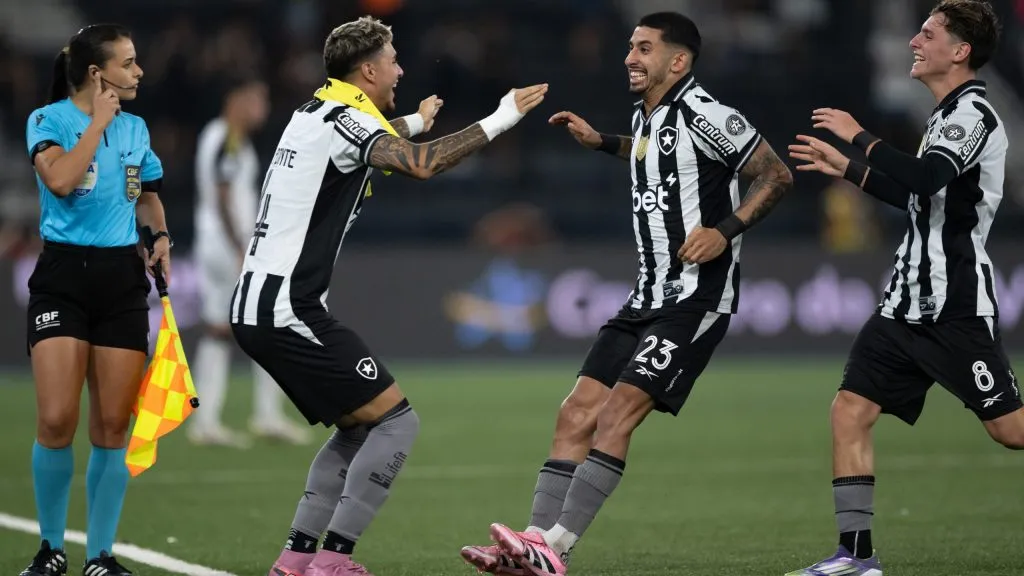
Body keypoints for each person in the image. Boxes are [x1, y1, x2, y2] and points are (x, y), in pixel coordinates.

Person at [461, 11, 793, 576]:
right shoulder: (649, 116)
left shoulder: (709, 115)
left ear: (678, 60)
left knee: (615, 415)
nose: (630, 58)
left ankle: (556, 548)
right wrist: (602, 142)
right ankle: (530, 544)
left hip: (695, 297)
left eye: (643, 48)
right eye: (630, 48)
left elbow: (775, 174)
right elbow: (655, 156)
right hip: (645, 297)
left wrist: (724, 232)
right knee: (574, 415)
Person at [226, 15, 547, 576]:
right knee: (398, 423)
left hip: (258, 305)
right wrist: (503, 117)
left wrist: (414, 121)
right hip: (286, 309)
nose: (401, 68)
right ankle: (335, 561)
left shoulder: (311, 112)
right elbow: (418, 166)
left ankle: (297, 558)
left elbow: (363, 141)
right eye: (393, 60)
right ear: (368, 70)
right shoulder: (348, 120)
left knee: (358, 426)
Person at [786, 1, 1023, 574]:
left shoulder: (974, 116)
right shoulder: (942, 118)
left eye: (928, 33)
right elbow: (920, 198)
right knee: (849, 411)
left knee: (1010, 431)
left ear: (960, 51)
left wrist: (858, 137)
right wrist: (847, 169)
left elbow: (926, 176)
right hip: (903, 305)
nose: (915, 41)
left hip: (953, 306)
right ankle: (856, 557)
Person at [22, 23, 171, 576]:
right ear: (96, 73)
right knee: (57, 419)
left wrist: (159, 238)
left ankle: (101, 557)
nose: (138, 72)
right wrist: (98, 124)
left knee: (113, 425)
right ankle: (50, 550)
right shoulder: (48, 119)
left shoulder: (137, 129)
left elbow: (148, 196)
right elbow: (61, 179)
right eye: (129, 63)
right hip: (63, 276)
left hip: (120, 280)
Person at [190, 74, 311, 448]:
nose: (263, 109)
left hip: (213, 244)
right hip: (229, 246)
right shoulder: (227, 137)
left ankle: (207, 419)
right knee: (270, 322)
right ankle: (265, 415)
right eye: (257, 100)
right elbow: (223, 195)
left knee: (218, 329)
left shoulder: (219, 135)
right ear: (237, 101)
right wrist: (241, 247)